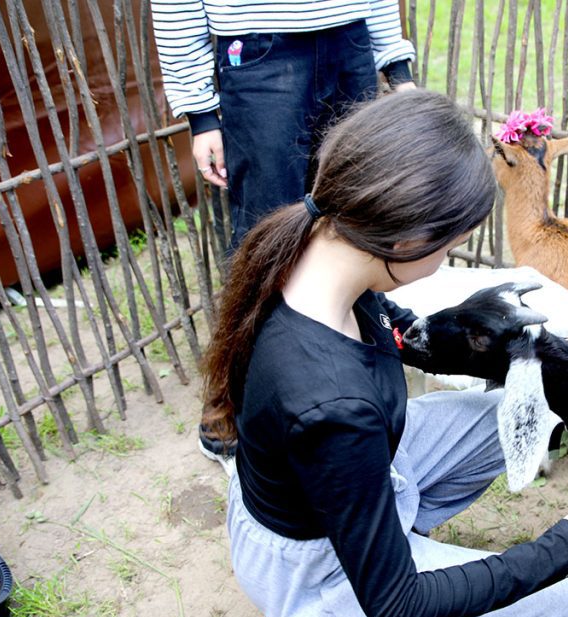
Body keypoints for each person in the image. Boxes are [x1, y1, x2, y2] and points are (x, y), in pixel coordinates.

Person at [199, 89, 568, 617]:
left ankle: (392, 541)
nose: (454, 255)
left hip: (344, 485)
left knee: (514, 411)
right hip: (313, 567)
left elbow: (424, 337)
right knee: (560, 608)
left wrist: (564, 341)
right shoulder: (331, 401)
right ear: (404, 241)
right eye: (452, 243)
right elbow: (397, 602)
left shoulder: (323, 257)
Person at [150, 0, 418, 466]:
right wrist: (201, 115)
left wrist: (395, 66)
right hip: (258, 52)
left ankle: (353, 383)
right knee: (263, 234)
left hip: (349, 37)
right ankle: (232, 400)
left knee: (353, 218)